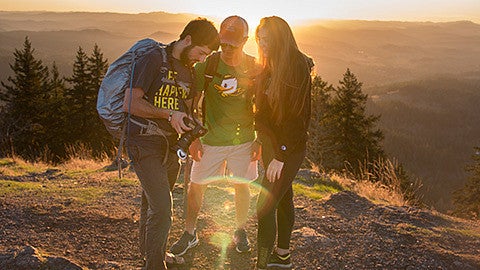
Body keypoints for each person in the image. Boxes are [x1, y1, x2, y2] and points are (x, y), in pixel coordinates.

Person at [123, 18, 219, 270]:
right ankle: (154, 265)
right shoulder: (154, 58)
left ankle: (151, 255)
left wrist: (192, 128)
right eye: (200, 51)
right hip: (143, 142)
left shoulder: (190, 70)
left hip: (170, 146)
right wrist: (168, 115)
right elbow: (131, 102)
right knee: (163, 208)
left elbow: (186, 109)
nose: (200, 58)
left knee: (151, 204)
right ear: (187, 40)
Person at [169, 15, 261, 256]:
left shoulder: (254, 67)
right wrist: (194, 138)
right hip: (210, 139)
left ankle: (239, 230)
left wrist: (259, 138)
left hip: (244, 139)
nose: (227, 49)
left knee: (242, 187)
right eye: (224, 44)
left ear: (245, 40)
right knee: (195, 186)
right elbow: (190, 104)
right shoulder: (206, 66)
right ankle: (190, 233)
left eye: (233, 44)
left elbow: (263, 107)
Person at [253, 16, 314, 270]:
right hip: (271, 144)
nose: (262, 43)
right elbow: (265, 113)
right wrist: (260, 139)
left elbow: (297, 119)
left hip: (288, 147)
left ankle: (263, 264)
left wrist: (281, 154)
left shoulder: (295, 67)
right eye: (259, 38)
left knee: (264, 207)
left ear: (280, 38)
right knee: (283, 196)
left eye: (267, 38)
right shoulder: (269, 65)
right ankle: (283, 256)